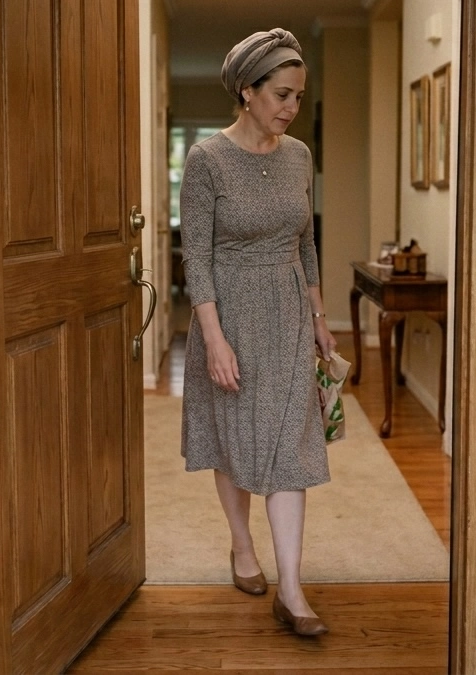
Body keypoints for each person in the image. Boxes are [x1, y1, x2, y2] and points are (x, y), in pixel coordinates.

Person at [178, 27, 336, 637]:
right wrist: (214, 339)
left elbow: (307, 242)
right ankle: (242, 545)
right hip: (231, 316)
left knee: (291, 447)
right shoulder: (206, 160)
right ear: (248, 92)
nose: (291, 108)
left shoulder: (299, 155)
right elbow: (197, 257)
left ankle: (292, 590)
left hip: (291, 313)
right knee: (233, 438)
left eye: (298, 96)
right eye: (281, 95)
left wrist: (322, 321)